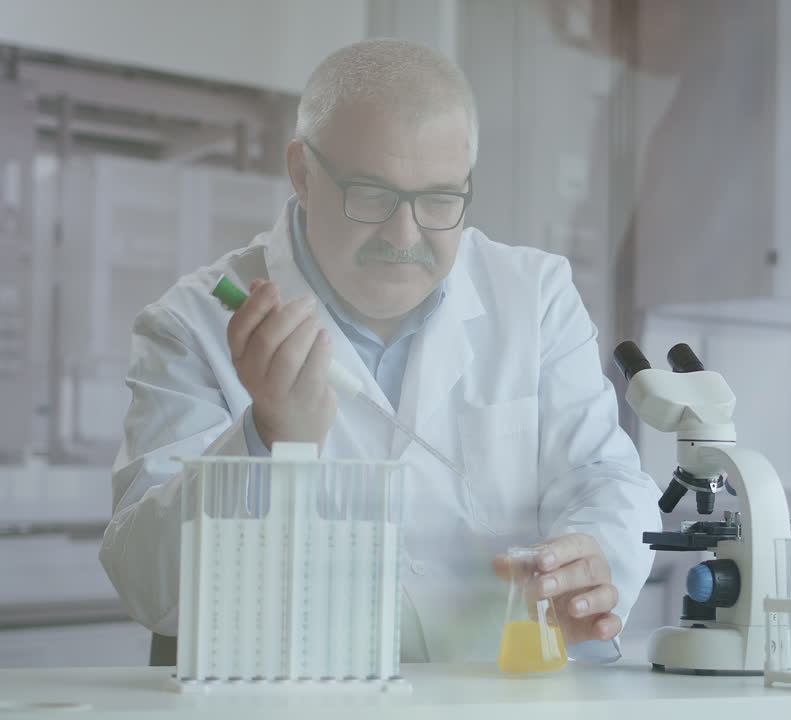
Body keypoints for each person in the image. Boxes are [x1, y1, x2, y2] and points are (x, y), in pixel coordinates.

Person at [99, 38, 659, 663]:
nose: (405, 233)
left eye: (439, 199)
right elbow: (149, 586)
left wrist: (593, 553)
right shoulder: (191, 324)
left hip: (494, 690)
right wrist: (268, 439)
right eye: (371, 194)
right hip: (291, 698)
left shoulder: (534, 296)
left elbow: (604, 477)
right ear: (302, 173)